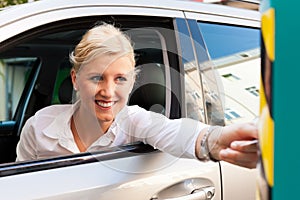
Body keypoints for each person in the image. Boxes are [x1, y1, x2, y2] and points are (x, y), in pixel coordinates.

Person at [16, 23, 258, 169]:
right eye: (96, 77)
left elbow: (176, 132)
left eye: (120, 79)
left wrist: (216, 141)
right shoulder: (39, 126)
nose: (108, 92)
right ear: (75, 80)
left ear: (131, 83)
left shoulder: (134, 121)